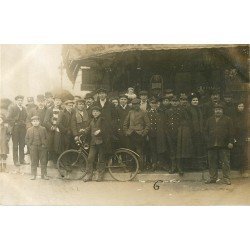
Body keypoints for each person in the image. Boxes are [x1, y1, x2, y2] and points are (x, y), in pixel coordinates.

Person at [205, 104, 234, 185]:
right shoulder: (209, 120)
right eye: (216, 109)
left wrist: (231, 142)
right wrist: (208, 141)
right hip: (212, 144)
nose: (218, 111)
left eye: (220, 109)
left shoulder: (228, 119)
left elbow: (231, 132)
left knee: (225, 162)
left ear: (222, 111)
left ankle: (226, 178)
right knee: (212, 162)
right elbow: (205, 132)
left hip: (224, 144)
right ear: (214, 110)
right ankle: (213, 178)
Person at [82, 106, 112, 182]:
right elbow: (89, 129)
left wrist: (100, 131)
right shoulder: (92, 121)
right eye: (93, 112)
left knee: (101, 159)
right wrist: (83, 131)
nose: (95, 113)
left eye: (96, 111)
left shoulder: (103, 120)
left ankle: (100, 176)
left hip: (102, 142)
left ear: (99, 113)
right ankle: (89, 175)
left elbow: (107, 129)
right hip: (93, 142)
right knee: (90, 159)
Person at [178, 93, 206, 171]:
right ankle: (191, 166)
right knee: (192, 149)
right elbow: (188, 121)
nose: (195, 101)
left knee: (199, 149)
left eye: (196, 100)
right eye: (193, 100)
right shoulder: (188, 109)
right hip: (192, 132)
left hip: (199, 132)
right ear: (190, 101)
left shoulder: (199, 109)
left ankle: (199, 166)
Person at [123, 98, 150, 170]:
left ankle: (140, 168)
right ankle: (131, 167)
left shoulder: (143, 112)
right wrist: (126, 132)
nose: (135, 106)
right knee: (130, 151)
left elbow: (147, 124)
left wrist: (144, 133)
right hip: (131, 135)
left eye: (137, 104)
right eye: (134, 104)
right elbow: (125, 124)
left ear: (139, 104)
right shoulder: (130, 112)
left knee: (139, 152)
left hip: (139, 135)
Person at [25, 116, 49, 180]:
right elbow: (26, 139)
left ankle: (44, 175)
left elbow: (47, 138)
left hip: (42, 147)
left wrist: (45, 145)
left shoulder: (43, 129)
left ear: (39, 122)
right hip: (33, 147)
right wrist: (30, 146)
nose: (35, 123)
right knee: (33, 161)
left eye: (37, 121)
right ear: (31, 122)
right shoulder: (29, 130)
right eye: (34, 121)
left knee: (43, 161)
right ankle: (33, 175)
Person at [7, 95, 28, 166]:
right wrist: (15, 122)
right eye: (19, 100)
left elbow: (26, 118)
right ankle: (15, 161)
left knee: (22, 145)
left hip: (23, 128)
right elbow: (8, 118)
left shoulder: (24, 108)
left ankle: (22, 160)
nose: (20, 101)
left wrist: (25, 123)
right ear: (16, 101)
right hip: (15, 128)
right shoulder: (12, 108)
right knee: (15, 145)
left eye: (21, 100)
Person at [147, 97, 167, 171]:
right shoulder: (147, 112)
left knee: (161, 149)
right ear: (149, 104)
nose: (154, 105)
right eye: (152, 103)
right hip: (151, 134)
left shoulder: (161, 112)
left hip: (160, 134)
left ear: (157, 104)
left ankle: (161, 164)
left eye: (155, 103)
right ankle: (154, 164)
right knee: (153, 149)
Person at [44, 94, 63, 165]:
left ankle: (56, 161)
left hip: (59, 130)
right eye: (56, 100)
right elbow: (45, 121)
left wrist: (58, 127)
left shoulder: (62, 110)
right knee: (49, 145)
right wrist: (51, 127)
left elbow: (63, 121)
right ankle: (45, 162)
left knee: (57, 146)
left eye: (59, 101)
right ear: (54, 101)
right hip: (50, 131)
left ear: (61, 102)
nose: (58, 102)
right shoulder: (49, 110)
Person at [165, 96, 182, 174]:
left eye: (176, 101)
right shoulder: (167, 111)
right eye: (173, 101)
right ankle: (173, 166)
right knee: (172, 150)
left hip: (179, 133)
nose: (175, 103)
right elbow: (165, 123)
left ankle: (179, 167)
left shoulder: (181, 111)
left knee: (179, 150)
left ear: (178, 102)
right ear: (171, 102)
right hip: (170, 133)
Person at [231, 101, 248, 173]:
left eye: (242, 106)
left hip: (244, 135)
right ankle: (236, 166)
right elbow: (232, 127)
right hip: (236, 135)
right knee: (236, 151)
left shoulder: (246, 116)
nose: (241, 108)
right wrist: (233, 137)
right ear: (236, 107)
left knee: (244, 151)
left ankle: (243, 167)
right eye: (239, 106)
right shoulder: (234, 116)